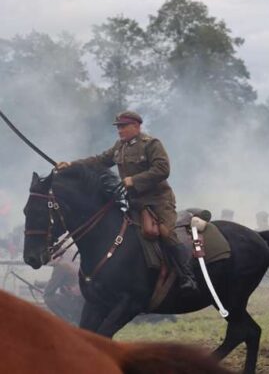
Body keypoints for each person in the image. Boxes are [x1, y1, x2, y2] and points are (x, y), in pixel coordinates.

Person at [56, 111, 196, 292]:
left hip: (158, 201)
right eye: (118, 127)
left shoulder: (151, 144)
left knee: (166, 233)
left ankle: (187, 275)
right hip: (135, 202)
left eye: (123, 126)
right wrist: (71, 165)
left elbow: (162, 169)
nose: (120, 131)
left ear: (136, 126)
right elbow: (99, 161)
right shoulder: (119, 147)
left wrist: (134, 180)